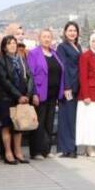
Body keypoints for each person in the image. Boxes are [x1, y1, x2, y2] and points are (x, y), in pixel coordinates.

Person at [0, 35, 34, 164]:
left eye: (14, 43)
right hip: (7, 98)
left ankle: (18, 152)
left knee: (19, 126)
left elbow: (30, 77)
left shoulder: (22, 59)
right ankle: (8, 153)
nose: (12, 45)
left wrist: (27, 95)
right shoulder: (1, 60)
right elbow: (4, 81)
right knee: (6, 126)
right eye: (9, 43)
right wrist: (18, 95)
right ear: (4, 47)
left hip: (22, 98)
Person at [26, 29, 61, 160]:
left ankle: (46, 150)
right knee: (38, 123)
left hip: (53, 94)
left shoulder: (54, 53)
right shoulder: (34, 53)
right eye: (44, 37)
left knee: (49, 122)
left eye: (49, 37)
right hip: (40, 94)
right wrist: (34, 93)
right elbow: (31, 75)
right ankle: (36, 151)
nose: (47, 39)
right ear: (39, 39)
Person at [76, 32, 95, 157]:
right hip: (89, 95)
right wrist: (86, 95)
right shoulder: (85, 56)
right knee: (88, 121)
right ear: (90, 42)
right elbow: (82, 77)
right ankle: (88, 148)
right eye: (93, 41)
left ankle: (91, 147)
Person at [55, 22, 82, 158]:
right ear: (65, 32)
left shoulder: (78, 46)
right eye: (70, 30)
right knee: (67, 118)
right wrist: (66, 86)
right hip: (69, 87)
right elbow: (63, 67)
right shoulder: (62, 47)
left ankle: (72, 147)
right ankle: (68, 148)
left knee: (74, 119)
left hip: (78, 86)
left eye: (74, 30)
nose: (72, 33)